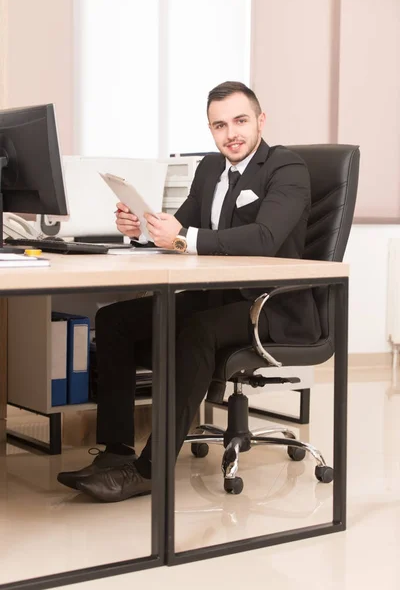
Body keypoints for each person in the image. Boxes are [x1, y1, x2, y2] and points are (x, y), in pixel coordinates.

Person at [57, 81, 321, 502]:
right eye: (219, 125)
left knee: (197, 330)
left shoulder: (286, 168)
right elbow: (179, 231)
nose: (231, 133)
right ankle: (116, 452)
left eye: (240, 121)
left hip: (272, 303)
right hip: (218, 295)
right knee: (115, 320)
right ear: (211, 130)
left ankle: (150, 469)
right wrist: (141, 231)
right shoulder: (211, 168)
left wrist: (183, 237)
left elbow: (265, 237)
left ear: (260, 121)